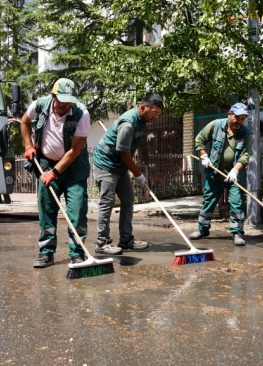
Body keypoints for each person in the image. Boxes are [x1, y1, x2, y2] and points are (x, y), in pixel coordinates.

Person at [20, 78, 91, 268]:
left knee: (77, 212)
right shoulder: (39, 105)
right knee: (47, 212)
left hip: (73, 170)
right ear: (53, 97)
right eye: (61, 104)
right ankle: (46, 253)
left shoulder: (81, 113)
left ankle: (78, 254)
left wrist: (55, 172)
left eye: (69, 103)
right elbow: (24, 122)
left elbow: (75, 151)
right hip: (45, 164)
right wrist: (28, 146)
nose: (65, 107)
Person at [92, 93, 164, 255]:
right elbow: (124, 152)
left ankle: (125, 240)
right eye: (154, 112)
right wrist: (138, 173)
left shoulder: (142, 120)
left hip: (119, 164)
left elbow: (127, 151)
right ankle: (102, 243)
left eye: (158, 114)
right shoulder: (129, 124)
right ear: (142, 108)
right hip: (106, 163)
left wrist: (133, 169)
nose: (156, 116)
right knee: (107, 201)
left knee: (128, 198)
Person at [188, 102, 253, 246]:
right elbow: (200, 140)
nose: (240, 122)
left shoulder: (246, 134)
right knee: (208, 201)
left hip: (233, 175)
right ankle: (203, 229)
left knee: (237, 203)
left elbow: (245, 156)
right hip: (214, 174)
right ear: (229, 114)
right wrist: (204, 156)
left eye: (243, 119)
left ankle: (237, 233)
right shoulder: (215, 125)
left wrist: (235, 170)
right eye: (237, 117)